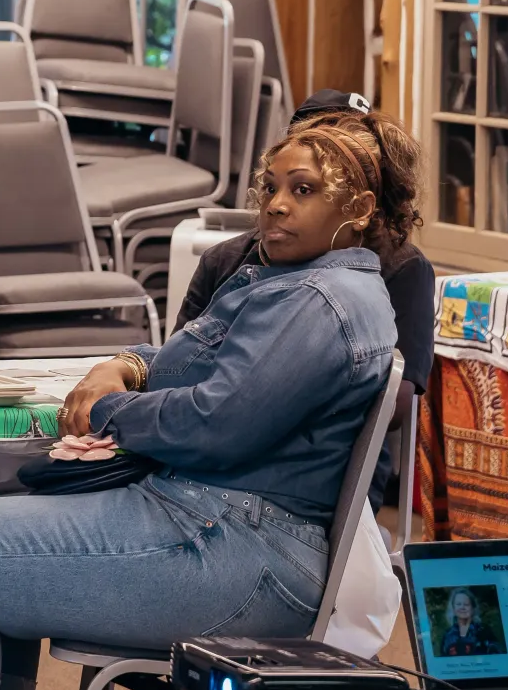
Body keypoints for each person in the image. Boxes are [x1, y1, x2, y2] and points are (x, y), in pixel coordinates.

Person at [0, 113, 420, 690]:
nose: (277, 204)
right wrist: (128, 364)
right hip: (218, 529)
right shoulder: (302, 282)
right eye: (272, 187)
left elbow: (215, 425)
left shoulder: (319, 301)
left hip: (234, 552)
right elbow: (195, 365)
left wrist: (109, 410)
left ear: (358, 209)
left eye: (302, 190)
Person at [175, 89, 435, 505]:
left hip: (319, 480)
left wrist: (268, 397)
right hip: (206, 450)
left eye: (308, 186)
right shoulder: (226, 260)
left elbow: (394, 405)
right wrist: (129, 370)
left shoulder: (398, 269)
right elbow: (180, 367)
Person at [440, 588, 505, 656]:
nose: (462, 607)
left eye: (466, 604)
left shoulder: (484, 631)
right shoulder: (448, 635)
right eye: (458, 604)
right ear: (453, 608)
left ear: (473, 608)